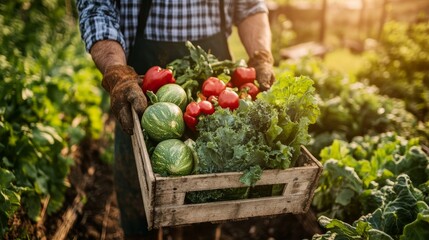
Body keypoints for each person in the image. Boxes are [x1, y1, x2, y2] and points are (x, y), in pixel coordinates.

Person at [76, 0, 275, 238]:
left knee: (207, 210)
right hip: (139, 90)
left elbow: (251, 6)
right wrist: (116, 72)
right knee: (140, 209)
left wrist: (261, 55)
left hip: (213, 82)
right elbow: (96, 7)